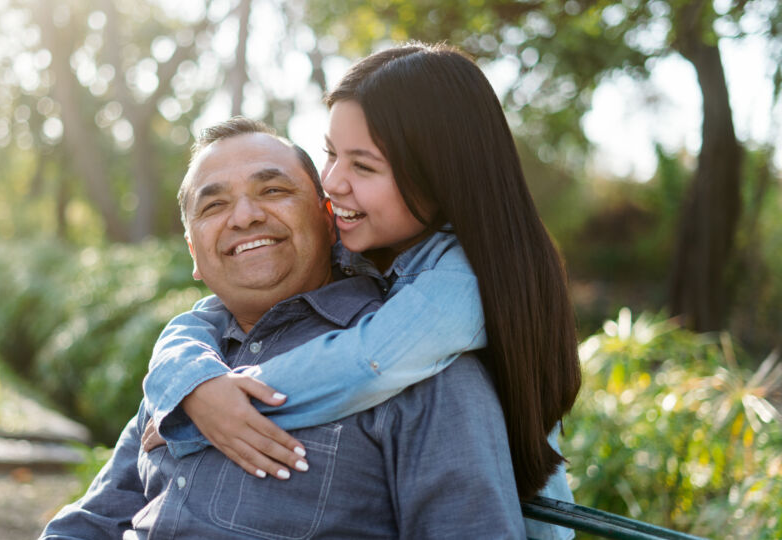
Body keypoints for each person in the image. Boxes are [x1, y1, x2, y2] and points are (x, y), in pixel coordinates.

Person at [143, 41, 581, 527]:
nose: (330, 182)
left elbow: (363, 364)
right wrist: (190, 379)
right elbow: (209, 313)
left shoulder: (461, 284)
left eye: (363, 166)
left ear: (438, 179)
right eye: (331, 154)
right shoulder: (365, 245)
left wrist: (224, 407)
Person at [40, 118, 525, 539]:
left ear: (331, 218)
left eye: (273, 191)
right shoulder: (189, 367)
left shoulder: (422, 368)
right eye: (213, 206)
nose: (245, 216)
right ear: (193, 252)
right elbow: (87, 524)